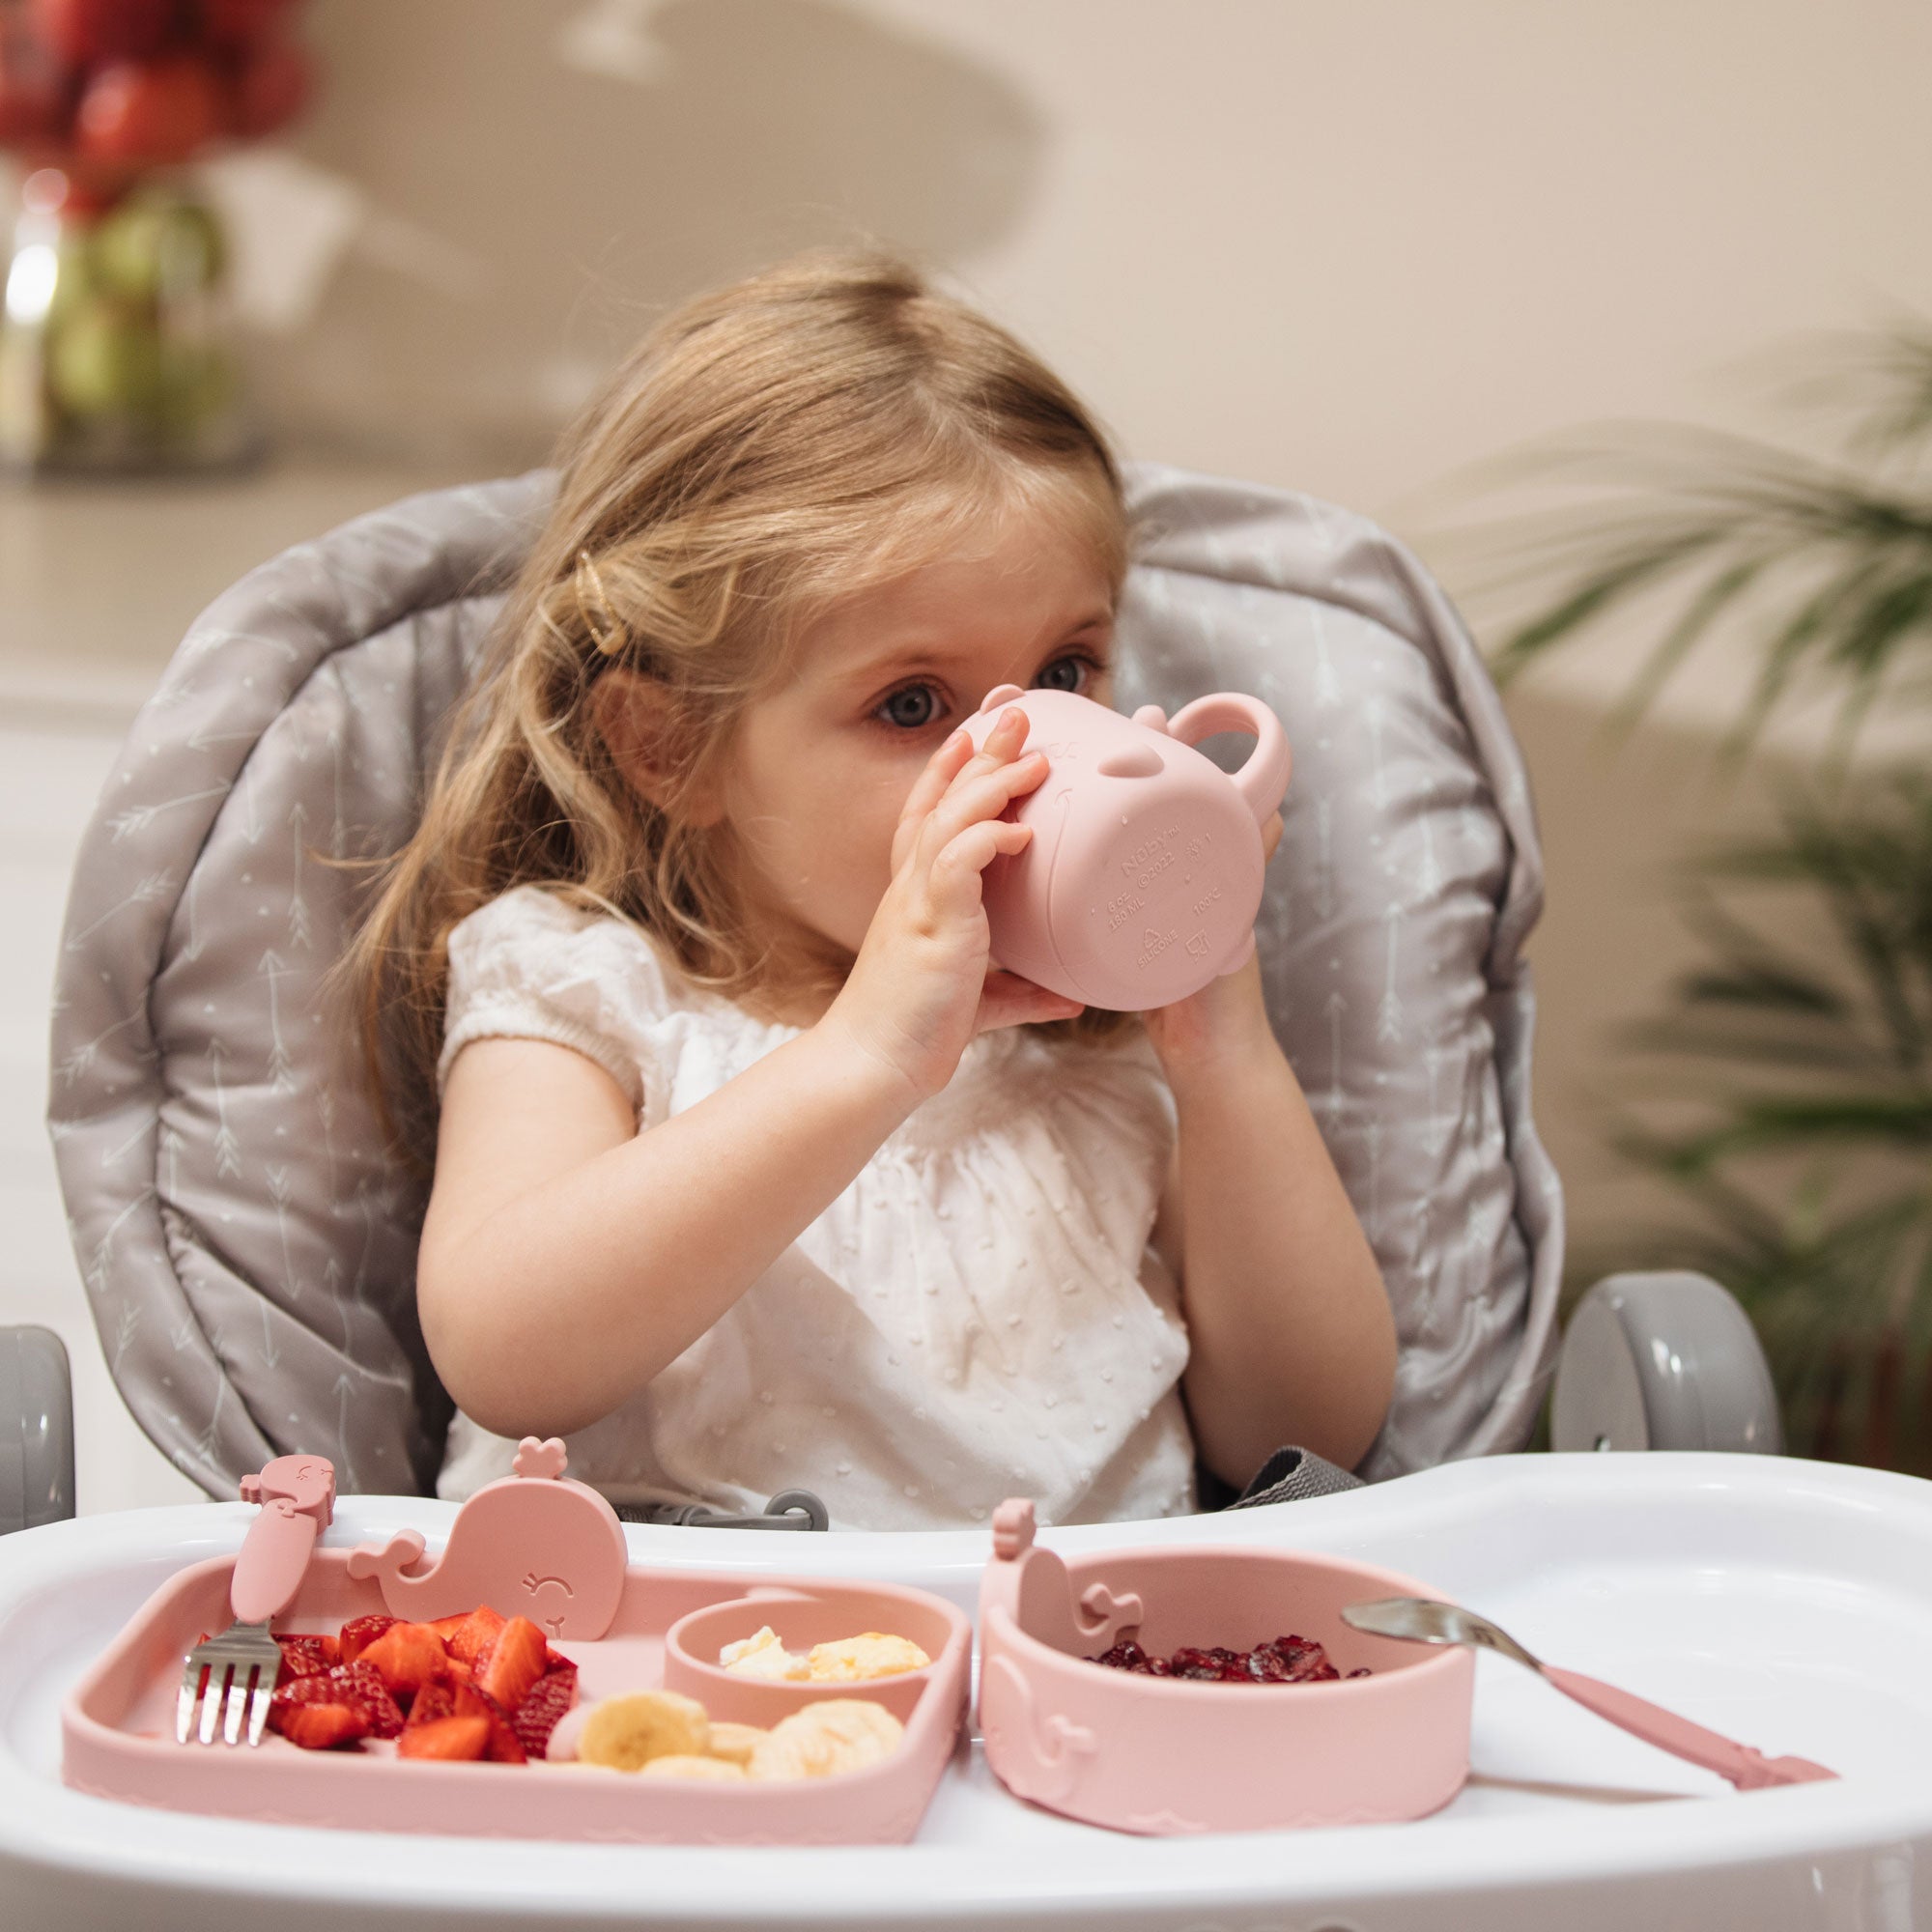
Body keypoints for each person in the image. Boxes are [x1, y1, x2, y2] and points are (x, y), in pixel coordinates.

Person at [339, 248, 1395, 1529]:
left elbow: (1307, 1440)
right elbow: (509, 1358)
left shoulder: (1101, 1047)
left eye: (1066, 674)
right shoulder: (589, 985)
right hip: (685, 1686)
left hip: (1075, 1674)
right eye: (912, 705)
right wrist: (872, 1055)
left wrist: (1223, 1049)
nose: (1012, 757)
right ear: (671, 748)